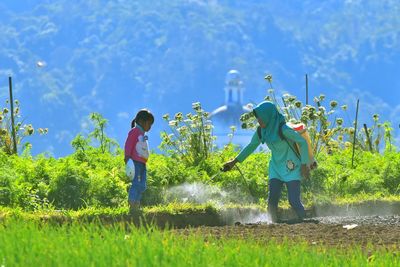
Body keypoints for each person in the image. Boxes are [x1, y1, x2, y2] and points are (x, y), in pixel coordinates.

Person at [222, 101, 310, 222]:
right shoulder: (261, 131)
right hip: (275, 167)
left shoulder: (283, 129)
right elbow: (251, 146)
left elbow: (302, 142)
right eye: (258, 118)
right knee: (271, 201)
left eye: (261, 118)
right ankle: (273, 225)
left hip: (292, 167)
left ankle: (306, 222)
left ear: (269, 116)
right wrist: (234, 161)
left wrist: (304, 164)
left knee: (293, 201)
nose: (259, 120)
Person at [124, 109, 154, 211]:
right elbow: (129, 144)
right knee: (136, 183)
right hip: (135, 163)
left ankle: (137, 203)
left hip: (142, 163)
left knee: (142, 185)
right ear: (142, 121)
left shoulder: (142, 134)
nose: (150, 127)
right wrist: (127, 157)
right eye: (149, 124)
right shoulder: (134, 131)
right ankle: (132, 203)